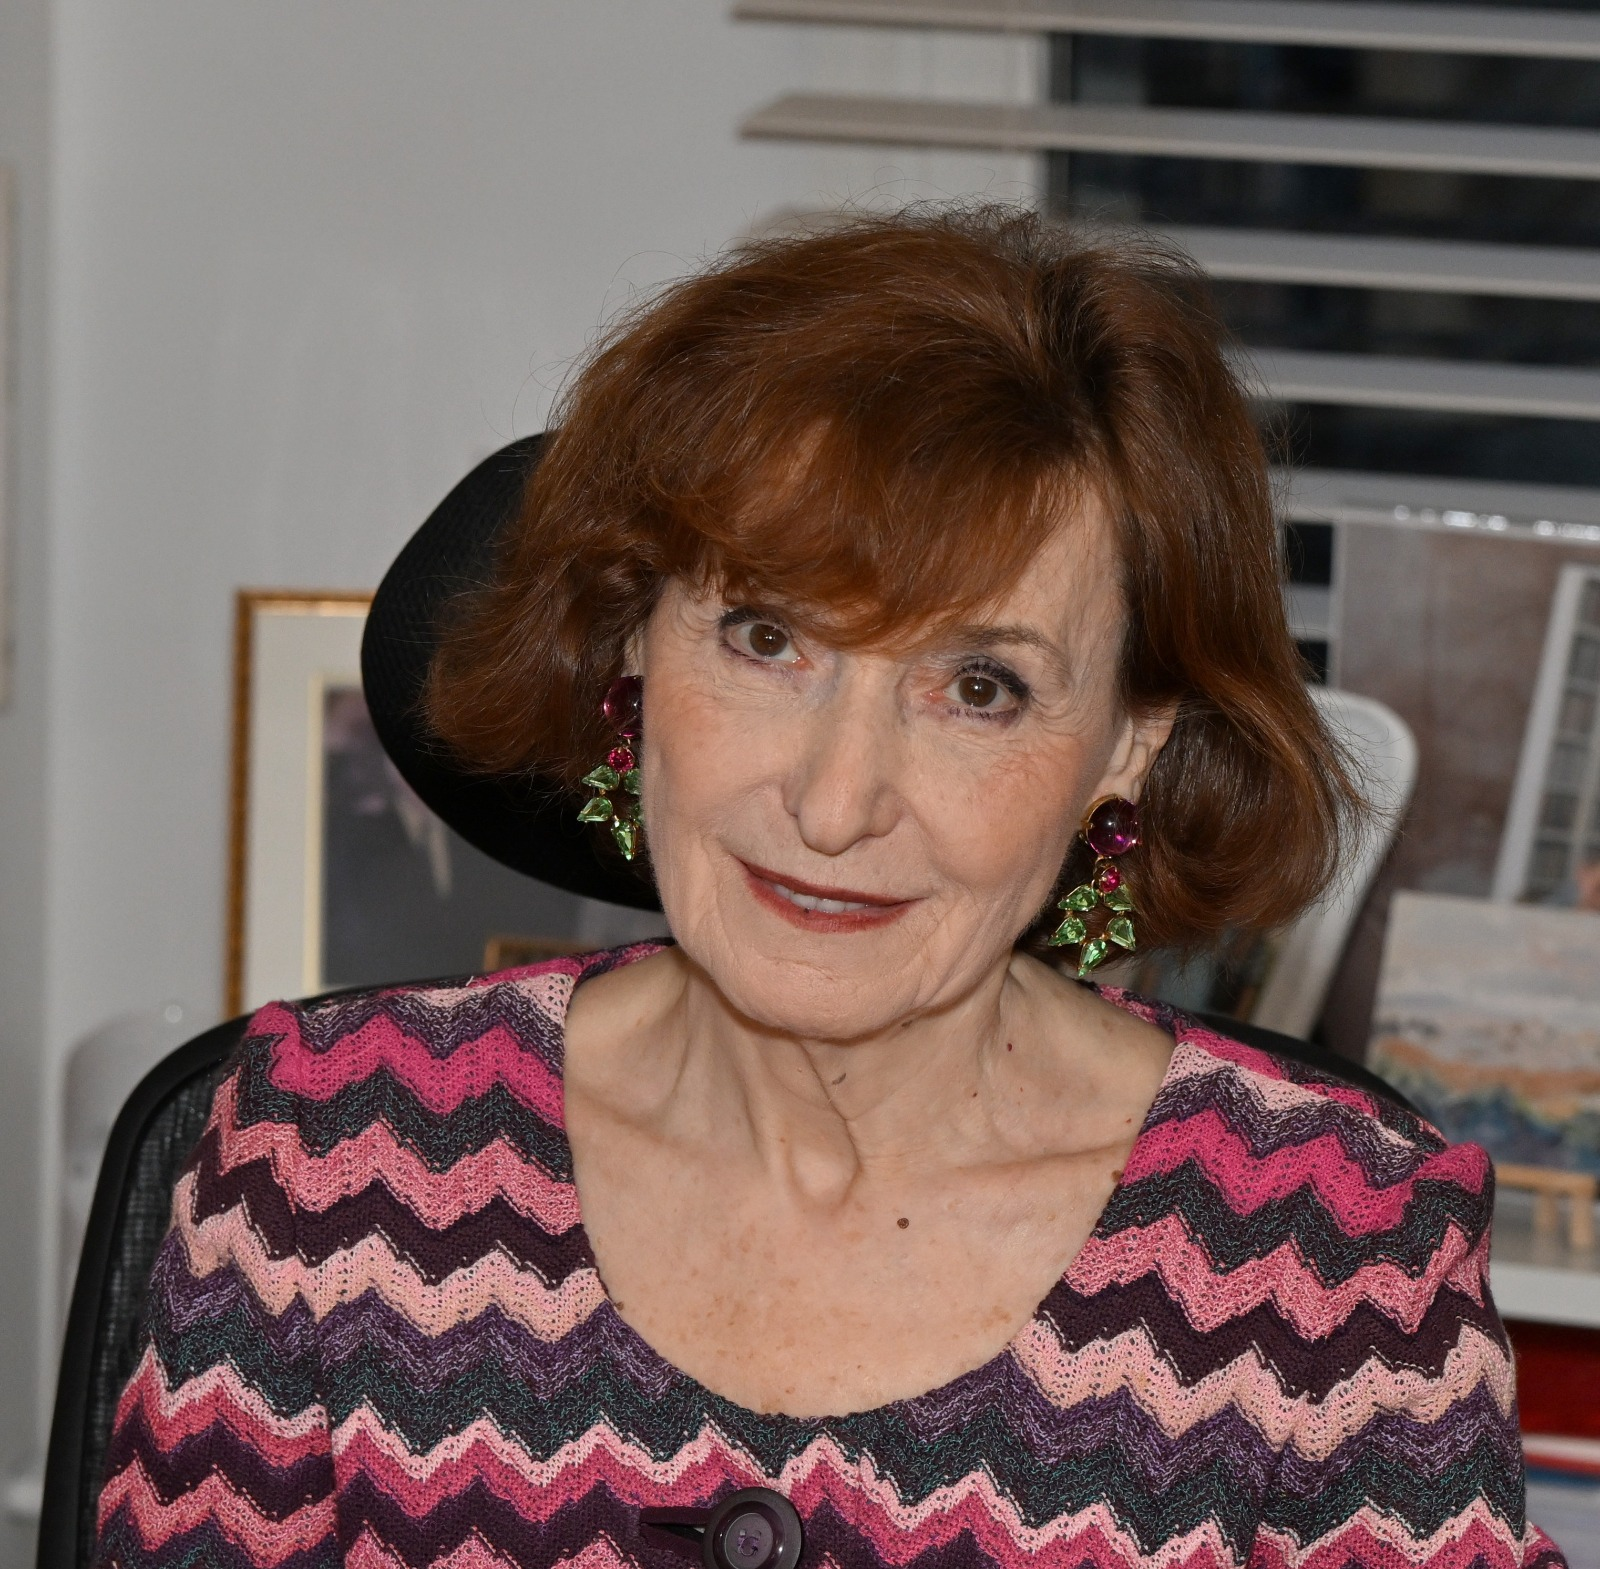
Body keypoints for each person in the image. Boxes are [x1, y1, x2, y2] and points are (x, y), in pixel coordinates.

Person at [94, 207, 1563, 1569]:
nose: (834, 801)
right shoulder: (333, 1157)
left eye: (979, 688)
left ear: (1128, 745)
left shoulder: (1327, 1262)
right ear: (632, 644)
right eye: (765, 639)